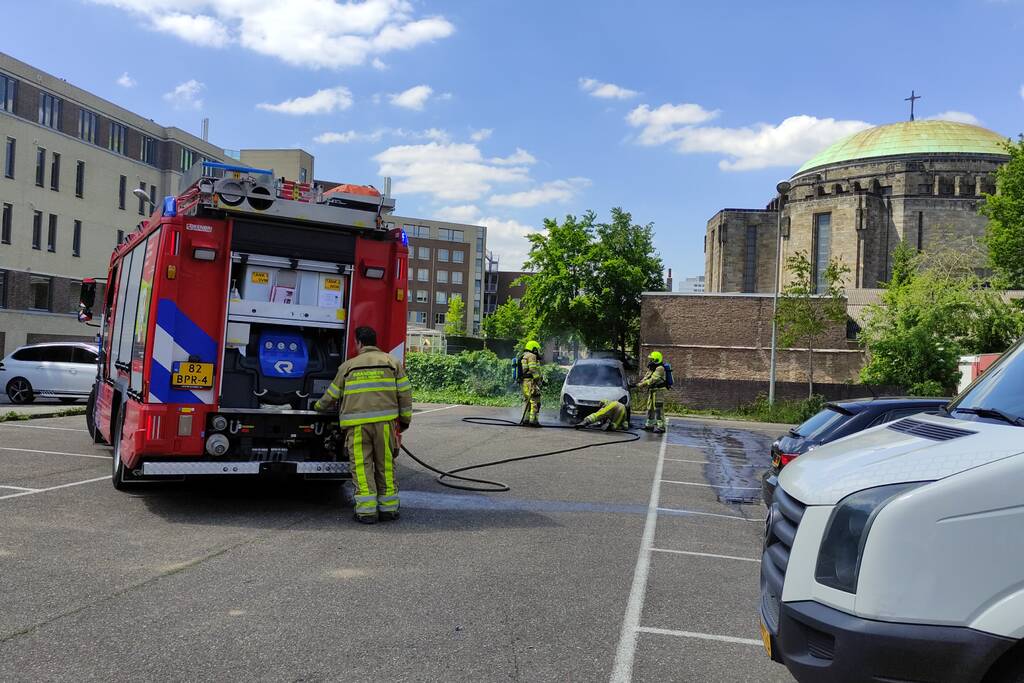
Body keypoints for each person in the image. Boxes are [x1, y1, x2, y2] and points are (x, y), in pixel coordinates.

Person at [314, 326, 413, 524]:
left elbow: (331, 395)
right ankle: (388, 509)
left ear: (358, 343)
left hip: (357, 426)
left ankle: (367, 511)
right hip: (384, 425)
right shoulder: (391, 362)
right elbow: (405, 393)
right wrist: (404, 421)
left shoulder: (348, 366)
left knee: (361, 466)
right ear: (375, 342)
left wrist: (318, 407)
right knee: (385, 465)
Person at [637, 350, 667, 434]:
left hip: (658, 391)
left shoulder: (660, 368)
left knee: (658, 409)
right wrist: (640, 383)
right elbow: (647, 377)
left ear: (656, 359)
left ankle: (661, 427)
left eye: (652, 359)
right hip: (652, 390)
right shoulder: (652, 367)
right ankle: (649, 425)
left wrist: (643, 384)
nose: (650, 361)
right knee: (650, 408)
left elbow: (653, 379)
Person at [520, 340, 543, 427]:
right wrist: (538, 380)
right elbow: (533, 369)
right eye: (537, 349)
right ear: (534, 348)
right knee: (535, 401)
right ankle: (533, 421)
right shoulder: (532, 356)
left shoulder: (524, 356)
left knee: (527, 401)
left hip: (524, 383)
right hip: (531, 383)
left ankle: (526, 420)